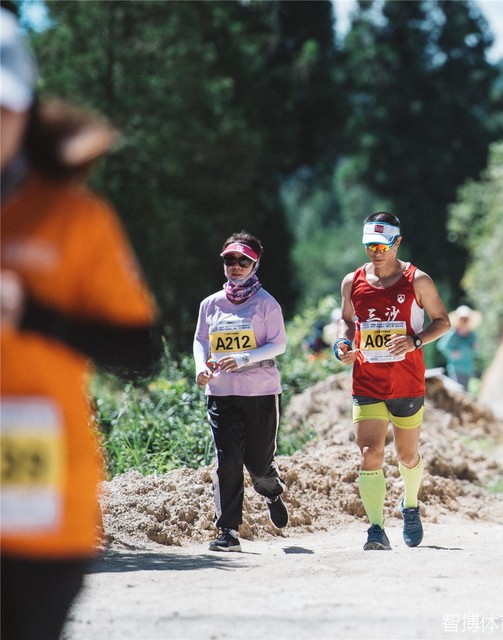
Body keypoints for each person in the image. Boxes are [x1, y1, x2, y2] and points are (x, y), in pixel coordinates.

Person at [0, 8, 160, 638]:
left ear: (28, 110)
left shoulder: (74, 219)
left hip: (41, 509)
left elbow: (140, 352)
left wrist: (34, 315)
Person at [335, 211, 451, 550]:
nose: (375, 251)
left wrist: (414, 341)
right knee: (370, 453)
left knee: (407, 456)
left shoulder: (418, 280)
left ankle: (411, 505)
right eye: (369, 245)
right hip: (367, 382)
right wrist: (342, 344)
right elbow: (346, 323)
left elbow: (442, 321)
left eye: (382, 245)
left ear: (397, 243)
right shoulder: (351, 281)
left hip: (406, 382)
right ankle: (375, 529)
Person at [193, 232, 289, 552]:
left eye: (242, 261)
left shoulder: (266, 304)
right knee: (227, 461)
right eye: (229, 260)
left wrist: (245, 358)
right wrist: (200, 368)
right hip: (221, 393)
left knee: (258, 464)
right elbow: (201, 341)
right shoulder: (210, 304)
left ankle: (272, 491)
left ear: (255, 263)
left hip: (260, 392)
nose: (235, 266)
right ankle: (228, 533)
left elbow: (280, 344)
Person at [436, 304, 482, 388]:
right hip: (456, 368)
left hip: (468, 368)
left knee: (465, 392)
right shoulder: (452, 334)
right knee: (458, 390)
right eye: (462, 319)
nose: (464, 321)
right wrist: (452, 353)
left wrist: (475, 348)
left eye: (466, 319)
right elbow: (441, 346)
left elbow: (475, 351)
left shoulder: (472, 335)